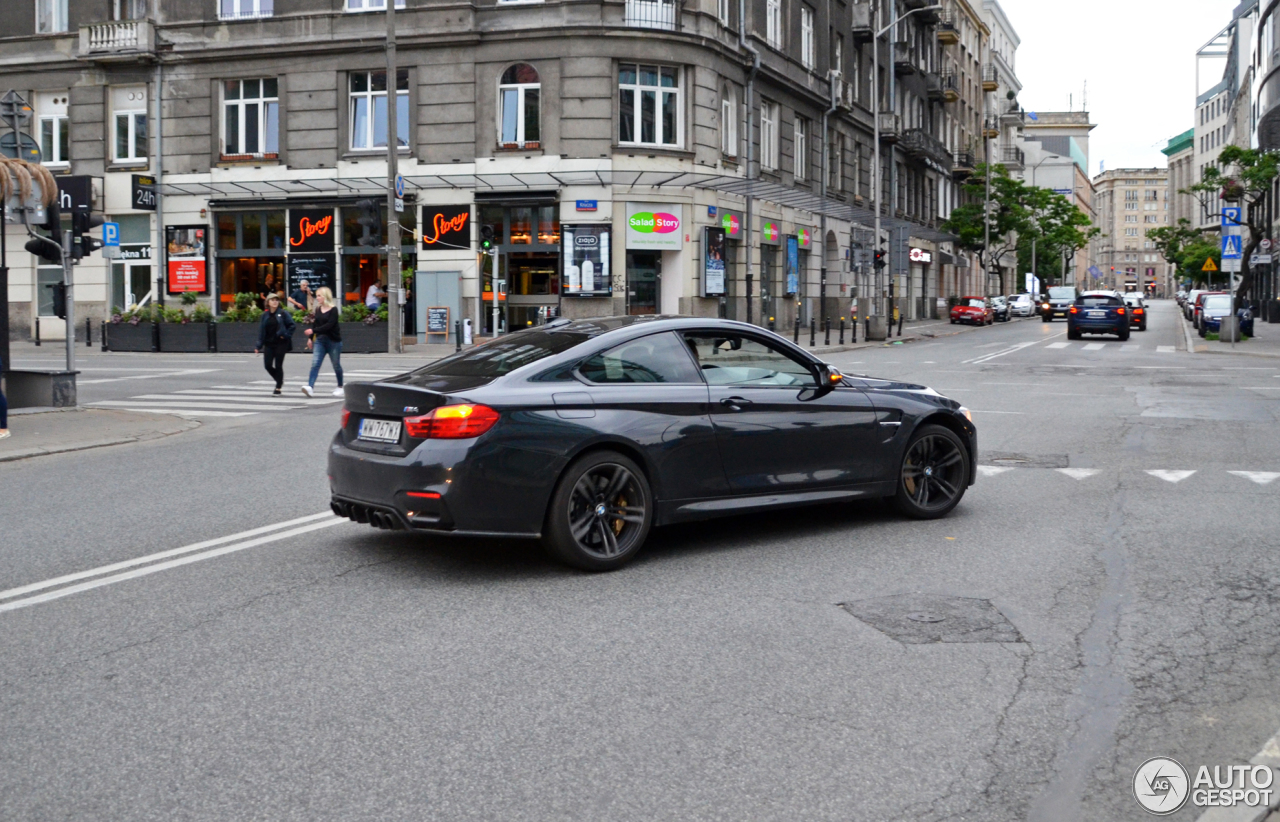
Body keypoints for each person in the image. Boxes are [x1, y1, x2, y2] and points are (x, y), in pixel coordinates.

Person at [301, 287, 344, 398]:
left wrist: (313, 331)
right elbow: (316, 324)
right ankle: (310, 387)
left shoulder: (333, 310)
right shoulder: (318, 309)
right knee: (315, 364)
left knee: (336, 365)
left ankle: (340, 386)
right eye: (317, 295)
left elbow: (329, 325)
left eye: (319, 295)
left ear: (325, 296)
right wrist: (310, 337)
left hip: (333, 341)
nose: (317, 298)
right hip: (320, 340)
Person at [254, 294, 295, 394]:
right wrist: (258, 345)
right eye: (272, 300)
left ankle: (278, 387)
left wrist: (285, 335)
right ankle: (279, 379)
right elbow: (261, 331)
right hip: (269, 343)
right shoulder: (264, 315)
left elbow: (292, 325)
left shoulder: (283, 313)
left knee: (278, 365)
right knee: (267, 365)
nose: (275, 302)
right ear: (268, 302)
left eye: (276, 300)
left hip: (281, 343)